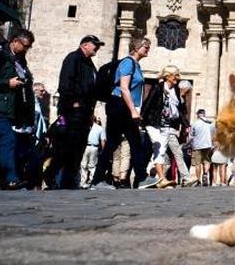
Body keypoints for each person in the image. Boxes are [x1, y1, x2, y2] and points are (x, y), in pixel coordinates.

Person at [0, 29, 36, 190]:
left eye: (29, 47)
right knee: (7, 140)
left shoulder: (20, 61)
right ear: (15, 41)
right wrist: (7, 83)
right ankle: (11, 178)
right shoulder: (0, 56)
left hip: (12, 110)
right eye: (25, 46)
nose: (26, 49)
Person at [91, 36, 150, 188]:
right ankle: (141, 177)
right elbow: (124, 88)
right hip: (119, 105)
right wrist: (133, 111)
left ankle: (141, 177)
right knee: (120, 142)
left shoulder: (135, 65)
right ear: (136, 48)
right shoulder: (127, 63)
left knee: (127, 142)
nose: (148, 49)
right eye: (146, 47)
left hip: (123, 107)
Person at [54, 35, 103, 189]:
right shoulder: (73, 58)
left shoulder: (89, 64)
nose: (97, 48)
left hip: (84, 112)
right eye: (95, 44)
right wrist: (73, 102)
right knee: (68, 145)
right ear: (84, 45)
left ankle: (69, 180)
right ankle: (53, 175)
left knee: (78, 146)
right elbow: (65, 82)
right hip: (73, 110)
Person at [142, 65, 189, 188]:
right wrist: (140, 119)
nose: (178, 78)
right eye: (176, 75)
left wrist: (186, 124)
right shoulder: (158, 87)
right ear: (168, 76)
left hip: (165, 125)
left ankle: (157, 178)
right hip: (153, 123)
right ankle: (154, 176)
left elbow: (178, 110)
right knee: (158, 149)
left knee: (161, 150)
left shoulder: (176, 91)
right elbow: (148, 103)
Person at [190, 109, 215, 185]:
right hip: (207, 145)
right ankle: (205, 174)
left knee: (198, 164)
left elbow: (191, 135)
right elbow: (213, 134)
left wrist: (189, 144)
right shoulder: (210, 123)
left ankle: (198, 180)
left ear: (198, 114)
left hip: (197, 145)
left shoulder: (195, 123)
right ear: (204, 114)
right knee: (207, 161)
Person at [82, 116, 104, 187]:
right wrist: (103, 150)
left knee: (83, 165)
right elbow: (103, 141)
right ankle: (92, 181)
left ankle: (83, 182)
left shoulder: (86, 127)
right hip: (95, 147)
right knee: (92, 165)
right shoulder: (100, 128)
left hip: (86, 147)